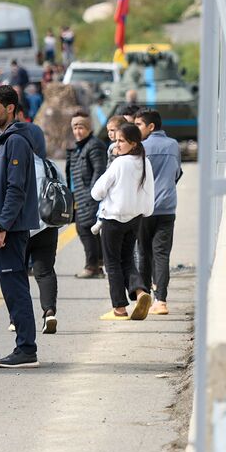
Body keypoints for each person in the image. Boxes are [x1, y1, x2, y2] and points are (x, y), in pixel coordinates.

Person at [0, 86, 42, 369]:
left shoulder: (15, 142)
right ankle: (24, 347)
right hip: (3, 228)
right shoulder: (2, 140)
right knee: (12, 287)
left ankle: (26, 349)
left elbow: (15, 189)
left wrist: (2, 227)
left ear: (11, 108)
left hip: (12, 230)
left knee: (15, 288)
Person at [91, 123, 155, 320]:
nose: (116, 145)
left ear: (133, 143)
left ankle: (119, 308)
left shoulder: (119, 163)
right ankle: (141, 292)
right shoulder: (145, 162)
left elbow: (97, 192)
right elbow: (150, 192)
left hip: (113, 220)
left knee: (112, 264)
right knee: (127, 260)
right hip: (135, 219)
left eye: (121, 141)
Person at [134, 109, 182, 316]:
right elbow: (177, 173)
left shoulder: (141, 147)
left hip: (145, 209)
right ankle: (161, 300)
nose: (136, 129)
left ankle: (143, 296)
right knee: (161, 255)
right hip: (168, 209)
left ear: (150, 126)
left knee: (144, 253)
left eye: (138, 125)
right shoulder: (173, 145)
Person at [21, 119, 62, 335]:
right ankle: (49, 312)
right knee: (45, 271)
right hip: (47, 225)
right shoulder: (50, 166)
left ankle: (17, 318)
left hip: (20, 227)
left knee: (18, 273)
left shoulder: (17, 165)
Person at [67, 111, 109, 278]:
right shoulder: (80, 146)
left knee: (85, 228)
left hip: (90, 196)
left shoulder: (94, 145)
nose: (78, 131)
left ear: (89, 128)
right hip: (80, 195)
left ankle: (92, 266)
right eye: (75, 127)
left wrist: (93, 196)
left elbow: (98, 171)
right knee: (86, 229)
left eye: (81, 127)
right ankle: (97, 265)